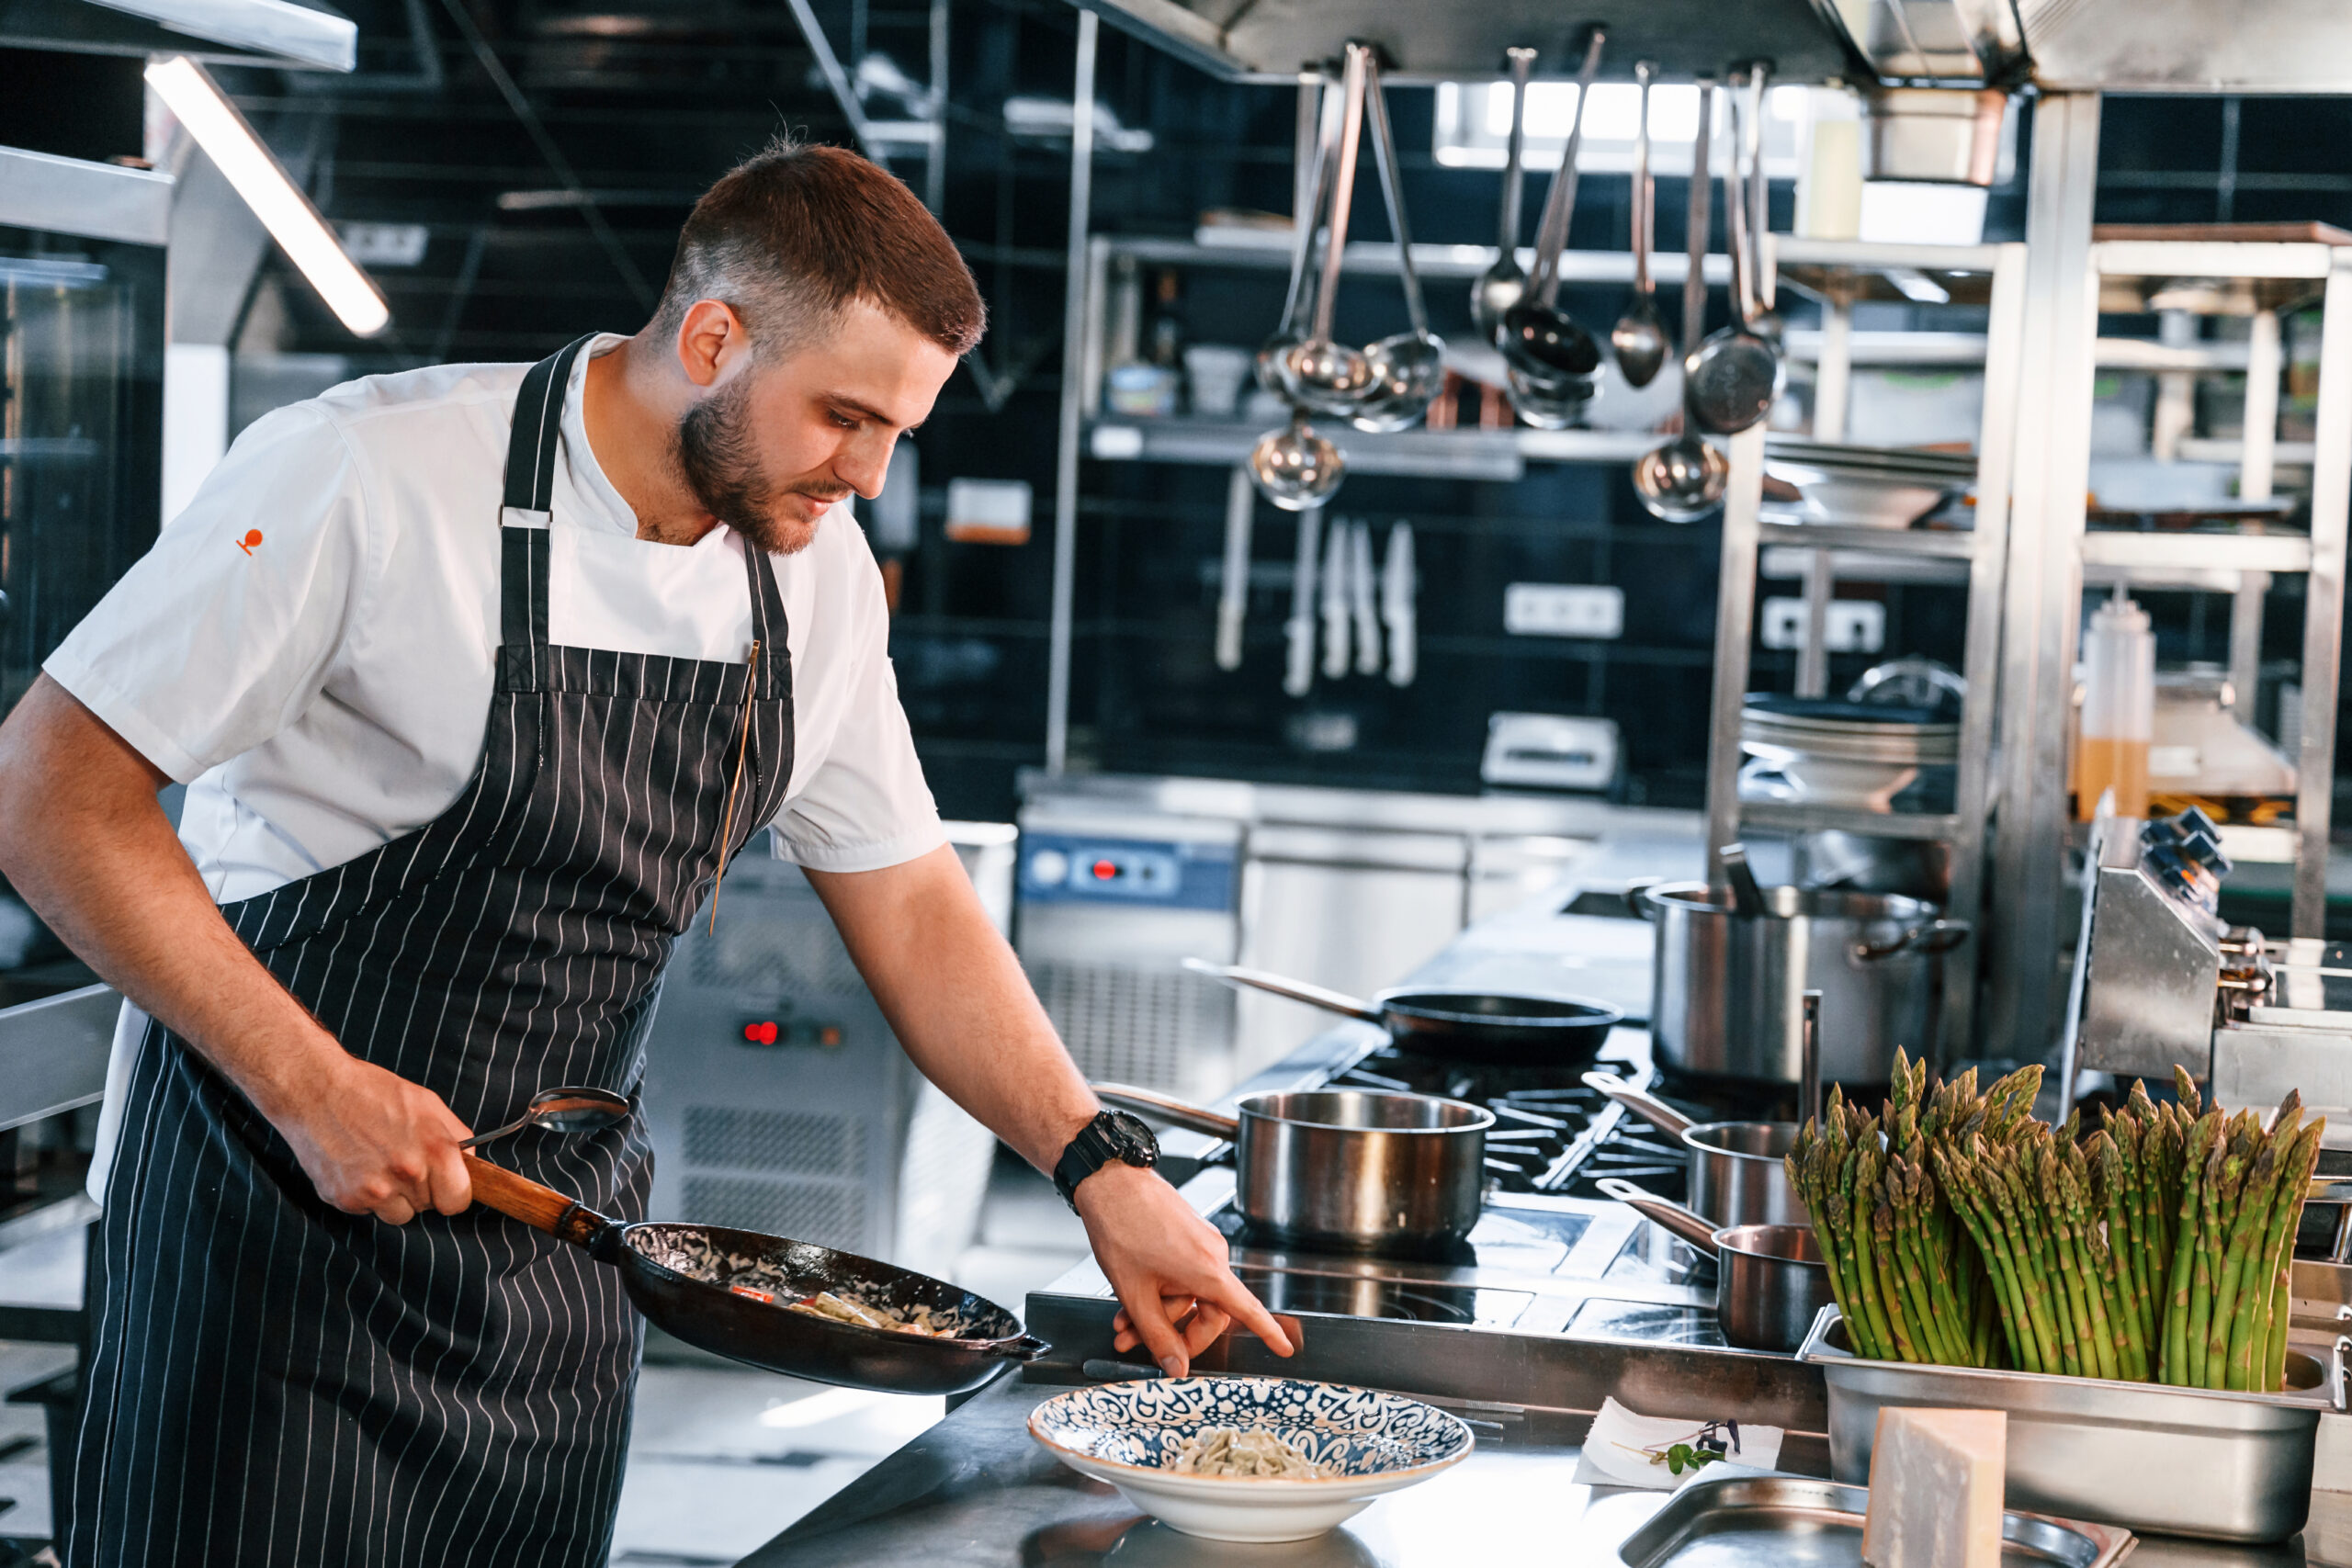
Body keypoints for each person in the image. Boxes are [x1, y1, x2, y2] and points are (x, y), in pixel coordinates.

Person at [0, 138, 1289, 1568]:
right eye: (843, 417)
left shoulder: (813, 576)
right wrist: (312, 1089)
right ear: (715, 336)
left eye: (894, 436)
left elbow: (914, 901)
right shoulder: (363, 473)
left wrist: (1105, 1171)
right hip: (267, 1242)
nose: (863, 476)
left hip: (561, 1275)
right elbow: (51, 793)